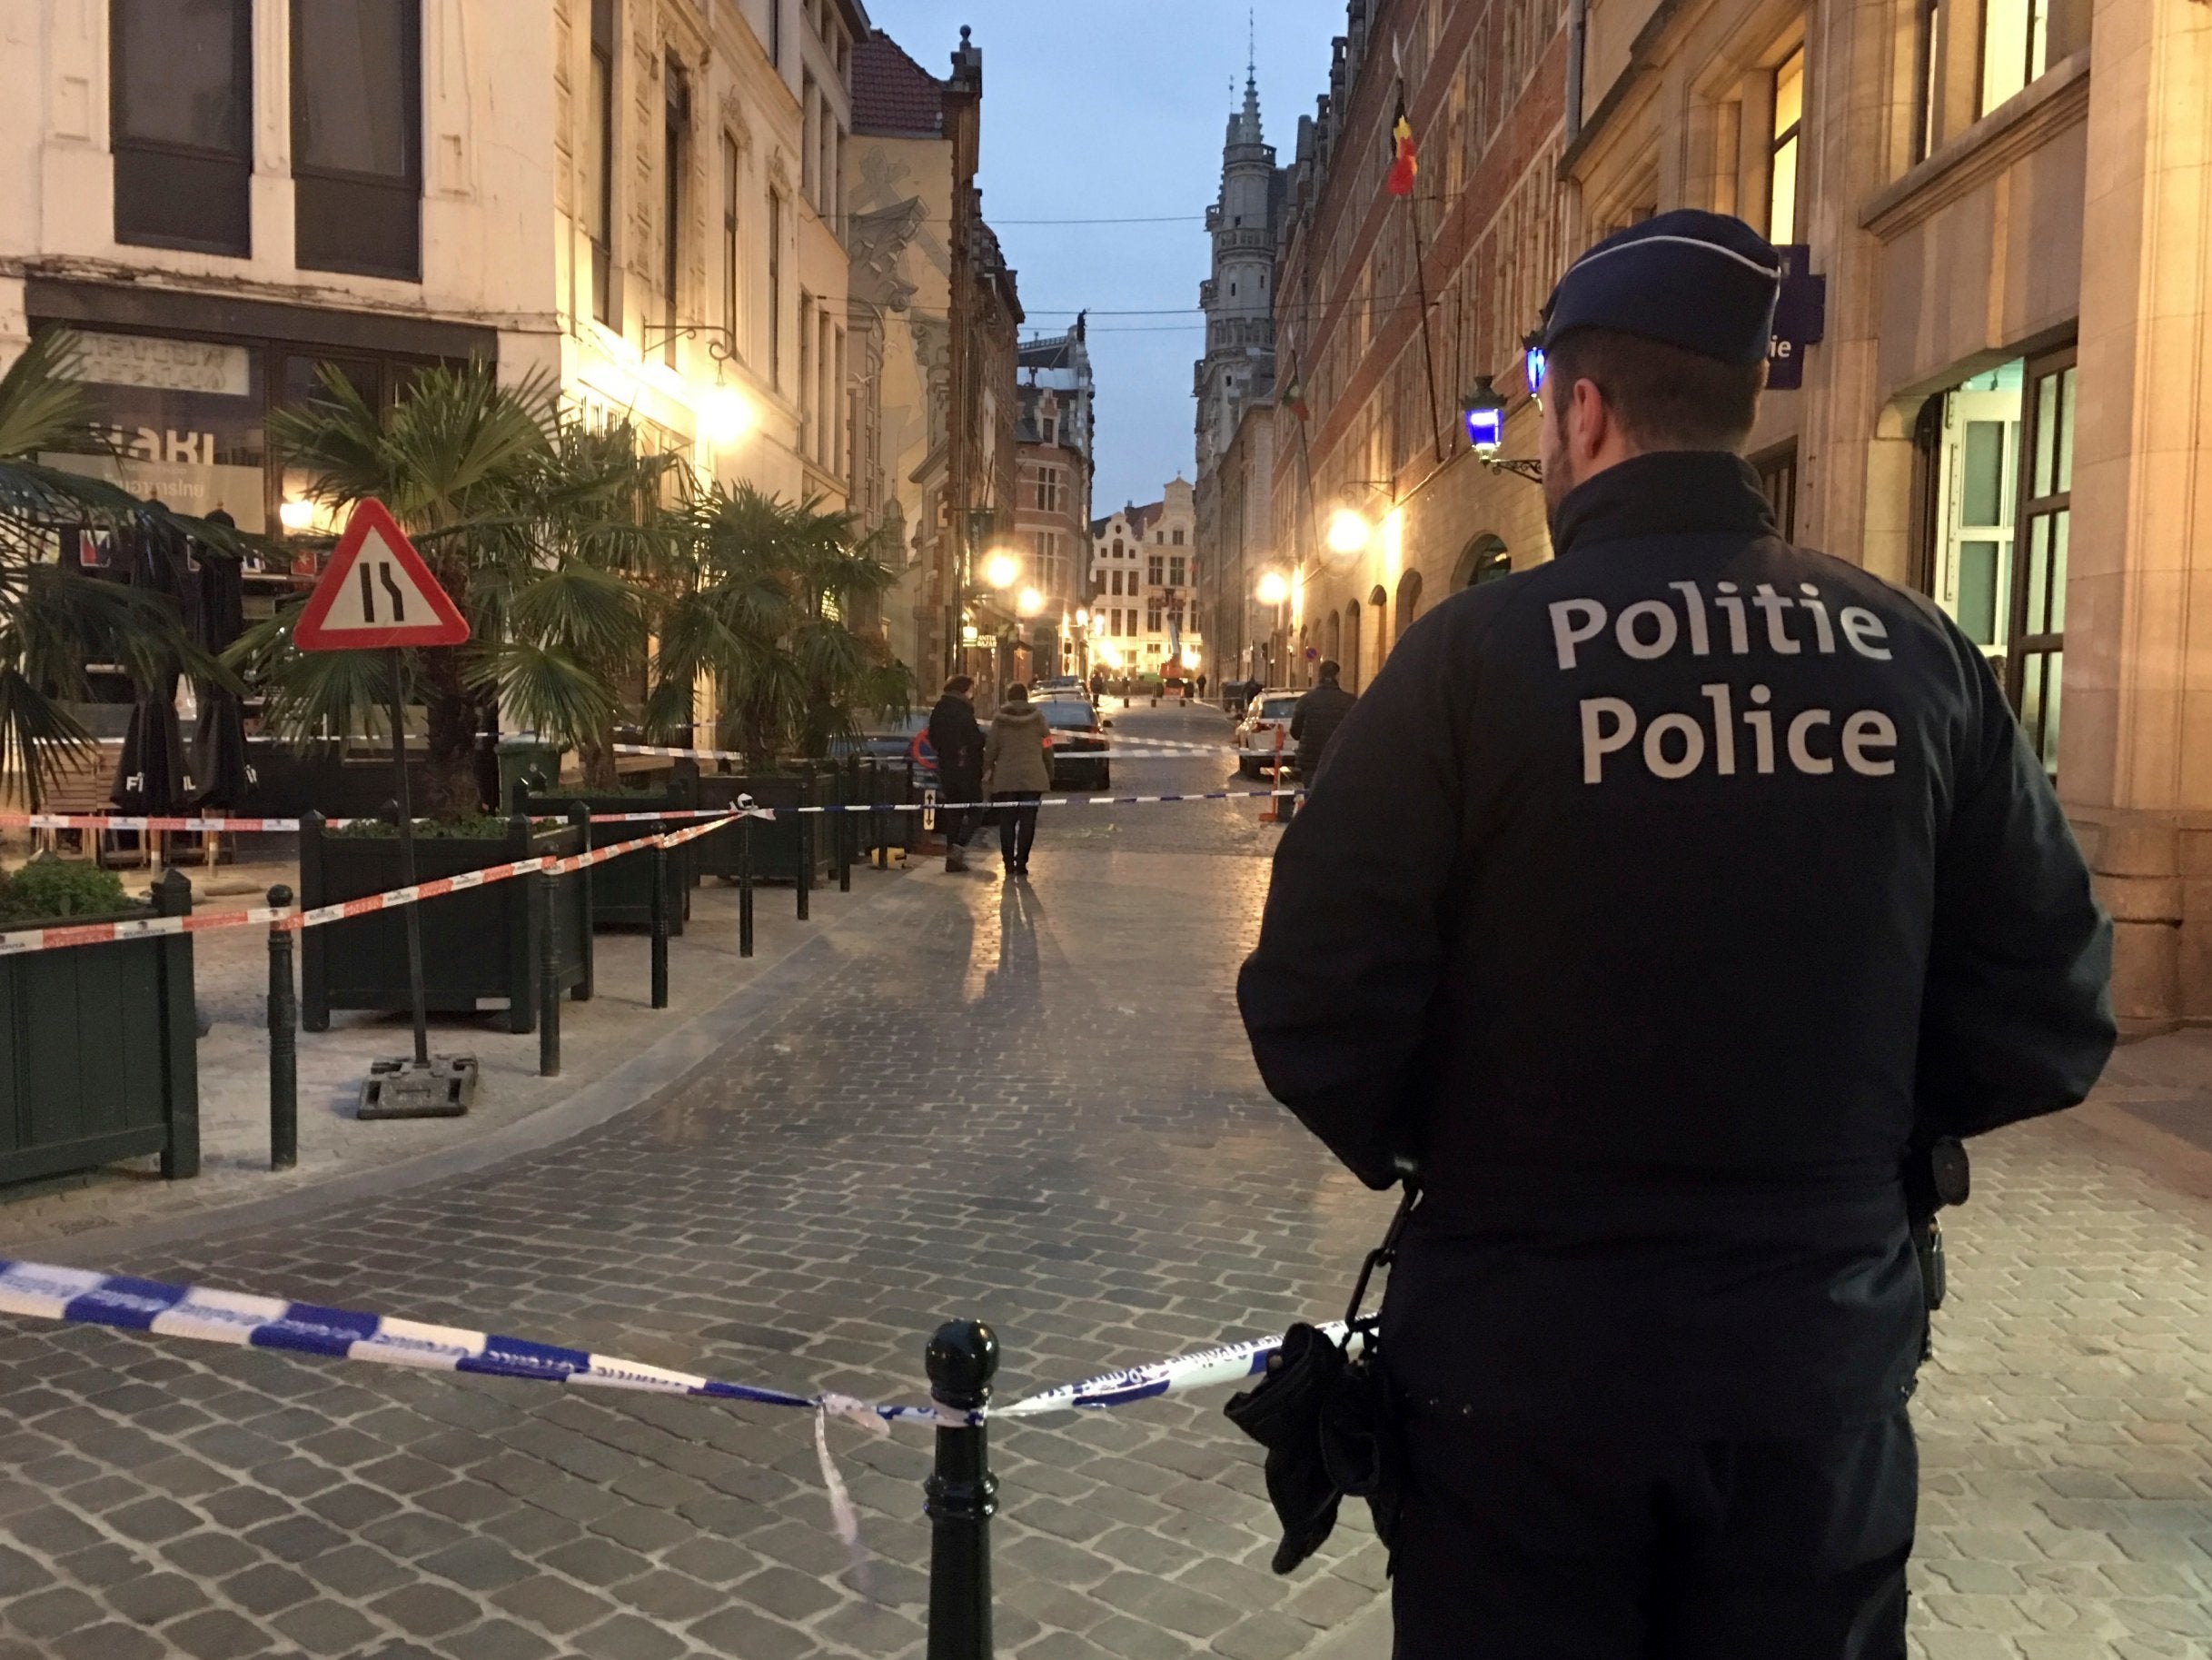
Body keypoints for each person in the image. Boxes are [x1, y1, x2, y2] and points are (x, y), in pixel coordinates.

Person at [1236, 210, 2115, 1659]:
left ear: (1579, 412)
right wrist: (1859, 1132)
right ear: (1733, 401)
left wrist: (1455, 1144)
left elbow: (1313, 999)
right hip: (1810, 1358)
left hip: (1521, 1362)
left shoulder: (1470, 657)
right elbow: (2052, 1002)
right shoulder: (1910, 650)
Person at [982, 681, 1050, 878]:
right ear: (1026, 697)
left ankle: (1008, 863)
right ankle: (1022, 862)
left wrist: (987, 768)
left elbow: (991, 747)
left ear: (1009, 697)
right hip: (1033, 777)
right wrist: (1048, 770)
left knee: (1007, 821)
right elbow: (1047, 744)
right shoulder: (1038, 719)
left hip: (1006, 778)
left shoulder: (999, 720)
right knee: (1028, 821)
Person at [925, 674, 985, 873]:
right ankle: (957, 848)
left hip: (947, 766)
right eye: (970, 689)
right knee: (976, 810)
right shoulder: (963, 710)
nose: (972, 693)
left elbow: (933, 737)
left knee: (954, 812)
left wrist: (945, 752)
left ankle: (952, 857)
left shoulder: (940, 709)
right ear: (963, 690)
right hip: (966, 767)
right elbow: (973, 739)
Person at [1287, 660, 1354, 780]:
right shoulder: (1350, 701)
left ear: (1319, 676)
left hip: (1311, 762)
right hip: (1338, 759)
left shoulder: (1305, 700)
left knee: (1311, 794)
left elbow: (1295, 733)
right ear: (1337, 676)